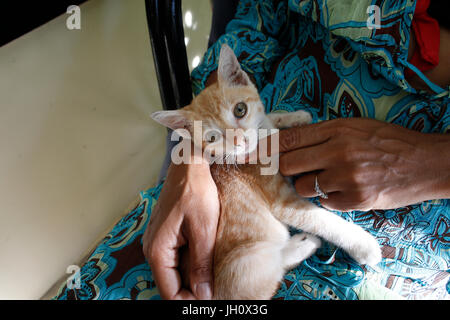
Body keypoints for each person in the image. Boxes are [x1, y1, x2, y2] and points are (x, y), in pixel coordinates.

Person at [143, 0, 450, 300]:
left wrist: (434, 163)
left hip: (384, 261)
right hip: (212, 199)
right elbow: (256, 21)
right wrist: (192, 158)